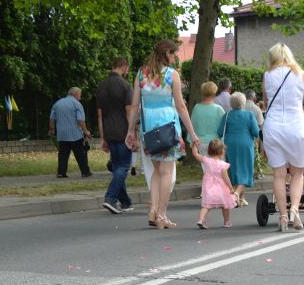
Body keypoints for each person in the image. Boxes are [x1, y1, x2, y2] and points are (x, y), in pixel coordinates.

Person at [125, 39, 197, 229]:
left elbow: (134, 106)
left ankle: (155, 211)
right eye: (173, 53)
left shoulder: (141, 74)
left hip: (148, 127)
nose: (175, 57)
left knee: (156, 171)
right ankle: (162, 215)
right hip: (167, 126)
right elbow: (181, 106)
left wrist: (130, 130)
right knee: (166, 172)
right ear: (166, 53)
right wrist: (192, 133)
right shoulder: (172, 75)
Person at [261, 43, 304, 232]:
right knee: (298, 172)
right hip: (295, 125)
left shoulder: (267, 75)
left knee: (278, 175)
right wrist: (302, 118)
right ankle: (295, 211)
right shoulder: (301, 74)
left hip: (273, 127)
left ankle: (282, 216)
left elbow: (266, 103)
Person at [96, 56, 133, 214]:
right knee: (124, 167)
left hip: (109, 131)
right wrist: (133, 133)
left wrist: (103, 137)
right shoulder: (125, 85)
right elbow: (129, 111)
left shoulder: (101, 86)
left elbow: (100, 115)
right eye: (127, 69)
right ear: (124, 67)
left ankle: (125, 202)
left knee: (117, 166)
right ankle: (110, 198)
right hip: (123, 130)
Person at [216, 91, 259, 206]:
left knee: (234, 170)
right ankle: (236, 194)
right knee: (245, 170)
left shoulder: (227, 115)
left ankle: (240, 198)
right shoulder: (249, 115)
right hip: (246, 145)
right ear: (243, 103)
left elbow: (219, 132)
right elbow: (256, 132)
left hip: (229, 145)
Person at [192, 138, 236, 229]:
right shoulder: (222, 164)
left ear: (209, 150)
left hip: (209, 187)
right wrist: (231, 188)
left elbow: (195, 154)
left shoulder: (206, 160)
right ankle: (227, 221)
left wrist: (195, 145)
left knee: (206, 206)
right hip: (221, 188)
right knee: (225, 206)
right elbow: (226, 177)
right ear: (221, 152)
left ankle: (201, 220)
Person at [50, 87, 92, 178]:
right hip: (75, 134)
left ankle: (61, 173)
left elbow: (52, 118)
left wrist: (52, 129)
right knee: (80, 154)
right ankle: (85, 172)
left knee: (63, 155)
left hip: (62, 135)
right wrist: (86, 131)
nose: (80, 98)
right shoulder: (77, 104)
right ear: (76, 94)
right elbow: (80, 120)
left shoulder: (57, 103)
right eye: (80, 95)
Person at [192, 81, 225, 151]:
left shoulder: (196, 108)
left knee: (203, 162)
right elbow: (224, 128)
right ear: (214, 93)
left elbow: (192, 125)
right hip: (216, 143)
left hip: (200, 142)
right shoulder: (219, 109)